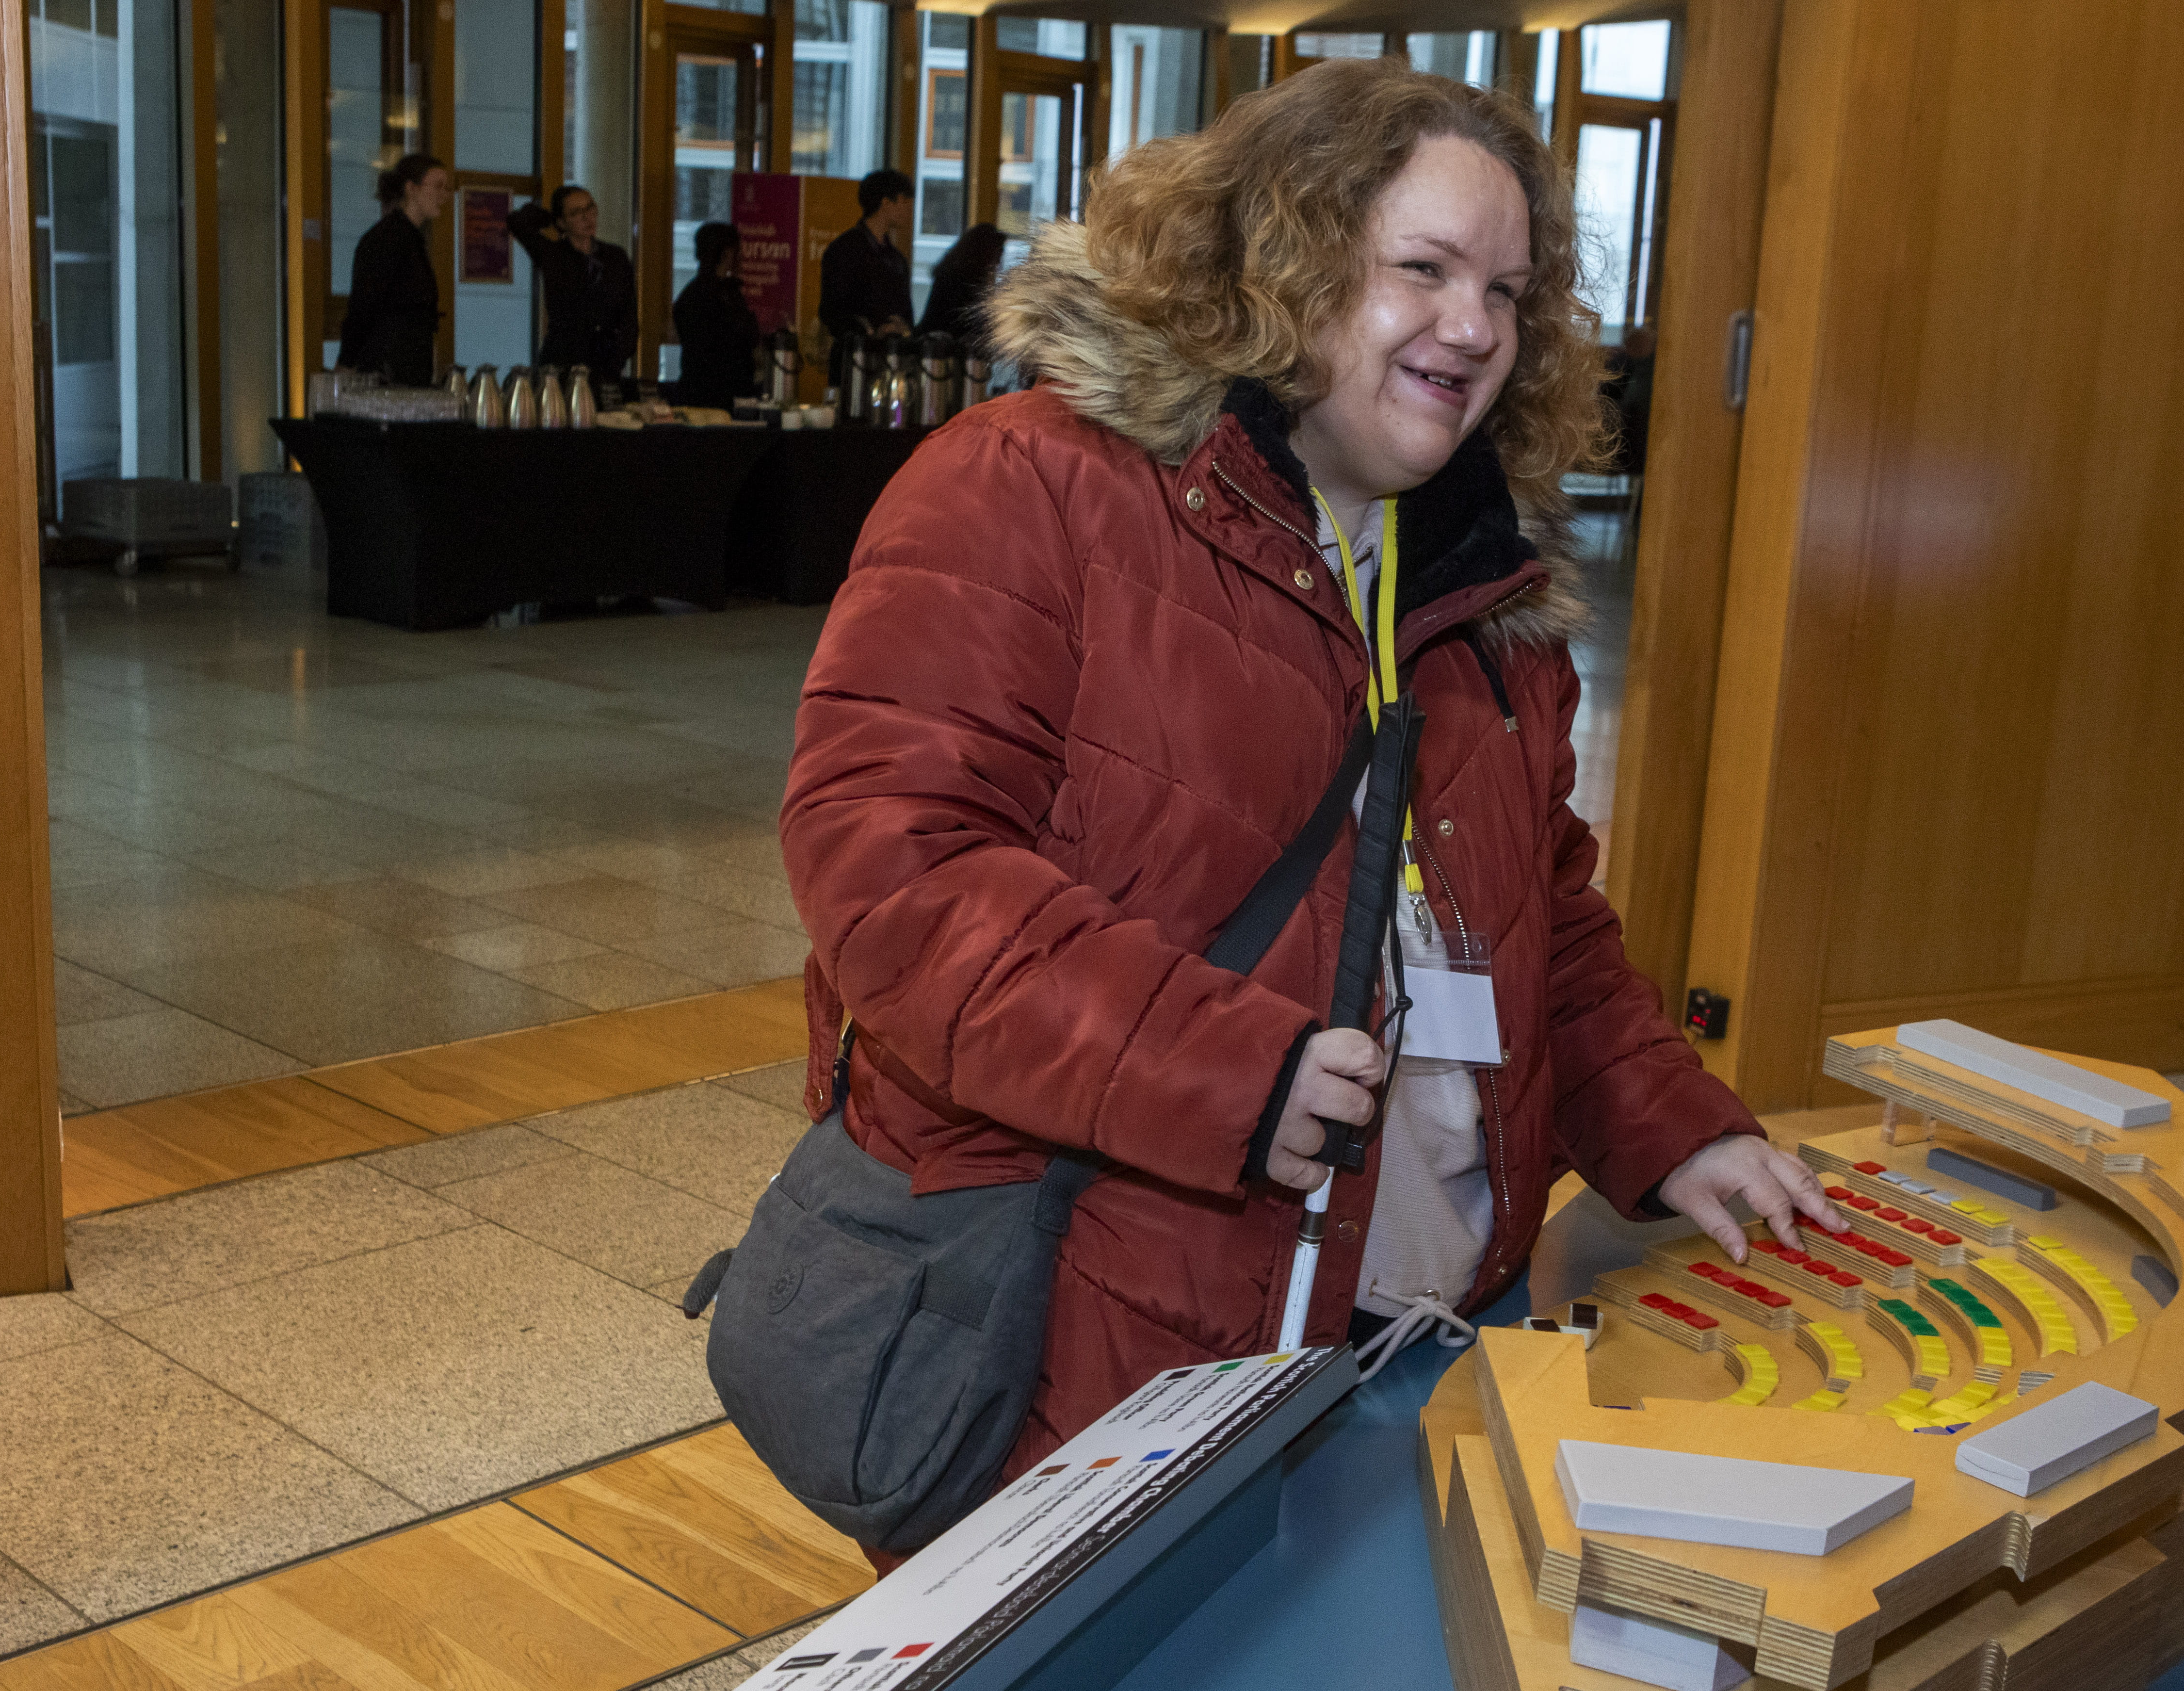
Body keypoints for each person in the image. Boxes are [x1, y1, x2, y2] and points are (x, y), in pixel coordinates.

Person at [782, 59, 1826, 1483]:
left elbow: (1549, 927)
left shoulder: (1482, 579)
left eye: (1507, 291)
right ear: (1284, 258)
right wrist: (1224, 1067)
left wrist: (1669, 1126)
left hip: (1418, 1350)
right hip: (1103, 1345)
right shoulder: (1029, 484)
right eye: (1424, 269)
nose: (1473, 328)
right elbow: (894, 867)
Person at [337, 154, 449, 385]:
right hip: (389, 367)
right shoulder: (389, 240)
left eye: (447, 188)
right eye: (438, 186)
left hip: (402, 364)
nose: (445, 196)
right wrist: (347, 361)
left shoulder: (405, 238)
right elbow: (363, 306)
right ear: (412, 189)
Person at [509, 183, 637, 380]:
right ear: (562, 222)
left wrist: (618, 358)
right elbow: (517, 221)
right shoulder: (553, 254)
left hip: (606, 365)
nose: (587, 217)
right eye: (576, 213)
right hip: (562, 364)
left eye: (590, 208)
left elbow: (629, 315)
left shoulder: (615, 257)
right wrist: (552, 218)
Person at [673, 221, 761, 408]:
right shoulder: (726, 295)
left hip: (699, 396)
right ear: (728, 253)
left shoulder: (692, 294)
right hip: (722, 398)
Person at [819, 168, 914, 341]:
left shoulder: (896, 258)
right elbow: (832, 311)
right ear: (885, 204)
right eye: (904, 200)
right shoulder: (844, 250)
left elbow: (907, 315)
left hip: (889, 356)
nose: (910, 208)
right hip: (854, 354)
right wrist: (872, 331)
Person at [914, 222, 1010, 351]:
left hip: (935, 344)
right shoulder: (965, 281)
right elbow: (965, 324)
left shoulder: (951, 272)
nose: (998, 262)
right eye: (998, 254)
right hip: (945, 348)